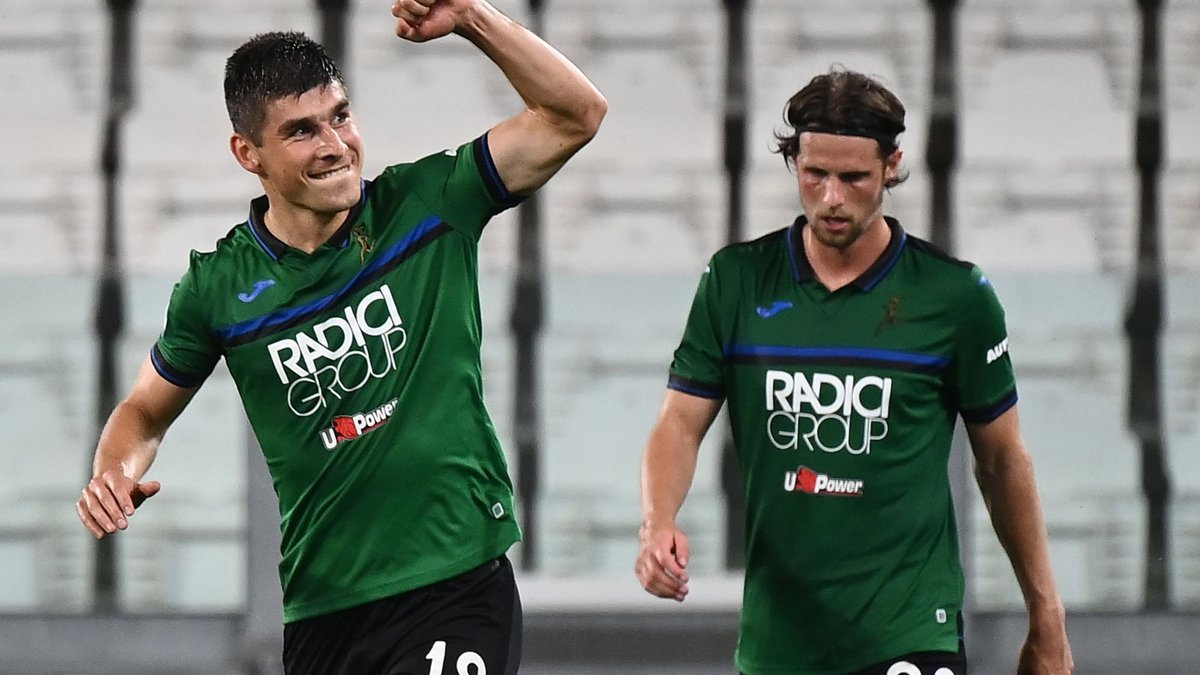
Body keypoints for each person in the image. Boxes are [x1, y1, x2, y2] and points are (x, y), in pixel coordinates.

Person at [75, 1, 605, 672]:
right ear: (248, 153)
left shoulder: (430, 204)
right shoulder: (217, 286)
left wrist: (473, 16)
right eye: (301, 130)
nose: (334, 145)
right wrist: (114, 472)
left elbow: (575, 114)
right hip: (322, 613)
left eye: (341, 116)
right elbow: (145, 410)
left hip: (454, 584)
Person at [634, 68, 1073, 675]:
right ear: (794, 163)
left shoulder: (955, 298)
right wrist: (658, 522)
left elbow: (1002, 461)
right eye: (815, 174)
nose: (832, 197)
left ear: (891, 166)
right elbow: (680, 424)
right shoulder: (735, 282)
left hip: (911, 631)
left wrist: (1047, 618)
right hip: (779, 645)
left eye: (853, 178)